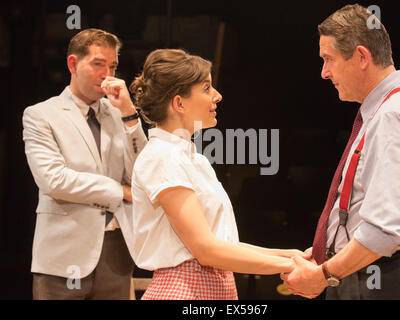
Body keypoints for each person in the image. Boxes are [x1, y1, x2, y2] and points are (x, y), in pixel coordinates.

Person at [281, 4, 400, 299]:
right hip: (380, 275)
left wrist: (322, 275)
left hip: (389, 282)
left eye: (328, 59)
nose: (324, 72)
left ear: (361, 56)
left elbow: (385, 230)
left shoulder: (395, 115)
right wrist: (331, 248)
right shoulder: (391, 110)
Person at [128, 49, 299, 300]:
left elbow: (223, 243)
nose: (217, 96)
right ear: (179, 103)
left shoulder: (194, 159)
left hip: (210, 289)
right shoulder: (162, 156)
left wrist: (290, 255)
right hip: (183, 292)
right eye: (207, 88)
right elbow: (206, 251)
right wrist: (290, 267)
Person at [22, 28, 148, 299]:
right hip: (62, 254)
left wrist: (129, 115)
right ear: (73, 64)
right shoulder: (41, 115)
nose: (107, 75)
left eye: (112, 66)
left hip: (115, 252)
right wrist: (120, 192)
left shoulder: (118, 113)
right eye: (98, 64)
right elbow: (54, 180)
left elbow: (142, 174)